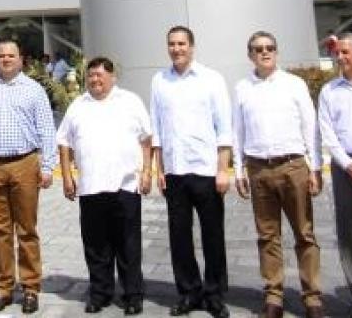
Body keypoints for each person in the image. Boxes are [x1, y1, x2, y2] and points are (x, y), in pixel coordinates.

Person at [233, 30, 323, 318]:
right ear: (250, 55)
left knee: (304, 234)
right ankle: (274, 296)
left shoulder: (294, 84)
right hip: (259, 168)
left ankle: (312, 298)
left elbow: (311, 126)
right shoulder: (242, 88)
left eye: (270, 47)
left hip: (293, 166)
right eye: (258, 49)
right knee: (267, 236)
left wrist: (315, 167)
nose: (264, 52)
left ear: (276, 52)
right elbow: (238, 131)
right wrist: (239, 168)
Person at [0, 38, 58, 314]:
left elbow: (47, 129)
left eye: (11, 55)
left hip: (24, 164)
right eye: (1, 55)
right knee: (0, 230)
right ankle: (3, 288)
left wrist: (47, 166)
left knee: (27, 229)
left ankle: (30, 288)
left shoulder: (34, 90)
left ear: (21, 59)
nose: (6, 59)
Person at [58, 56, 152, 315]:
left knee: (128, 244)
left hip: (126, 186)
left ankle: (133, 294)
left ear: (112, 77)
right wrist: (66, 176)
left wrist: (147, 173)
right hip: (91, 187)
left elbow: (146, 139)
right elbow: (64, 142)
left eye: (100, 75)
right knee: (96, 245)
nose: (95, 80)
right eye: (91, 76)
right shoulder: (78, 105)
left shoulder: (130, 101)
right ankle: (100, 293)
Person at [150, 26, 232, 318]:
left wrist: (223, 170)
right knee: (179, 236)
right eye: (171, 44)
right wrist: (159, 169)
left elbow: (224, 129)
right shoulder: (159, 80)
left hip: (206, 170)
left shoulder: (211, 79)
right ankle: (188, 292)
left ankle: (214, 294)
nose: (176, 49)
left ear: (192, 47)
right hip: (174, 171)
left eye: (182, 44)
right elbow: (157, 128)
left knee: (213, 235)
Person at [317, 33, 352, 318]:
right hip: (344, 171)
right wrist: (348, 164)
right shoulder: (329, 91)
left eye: (345, 53)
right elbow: (327, 132)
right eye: (337, 53)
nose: (339, 57)